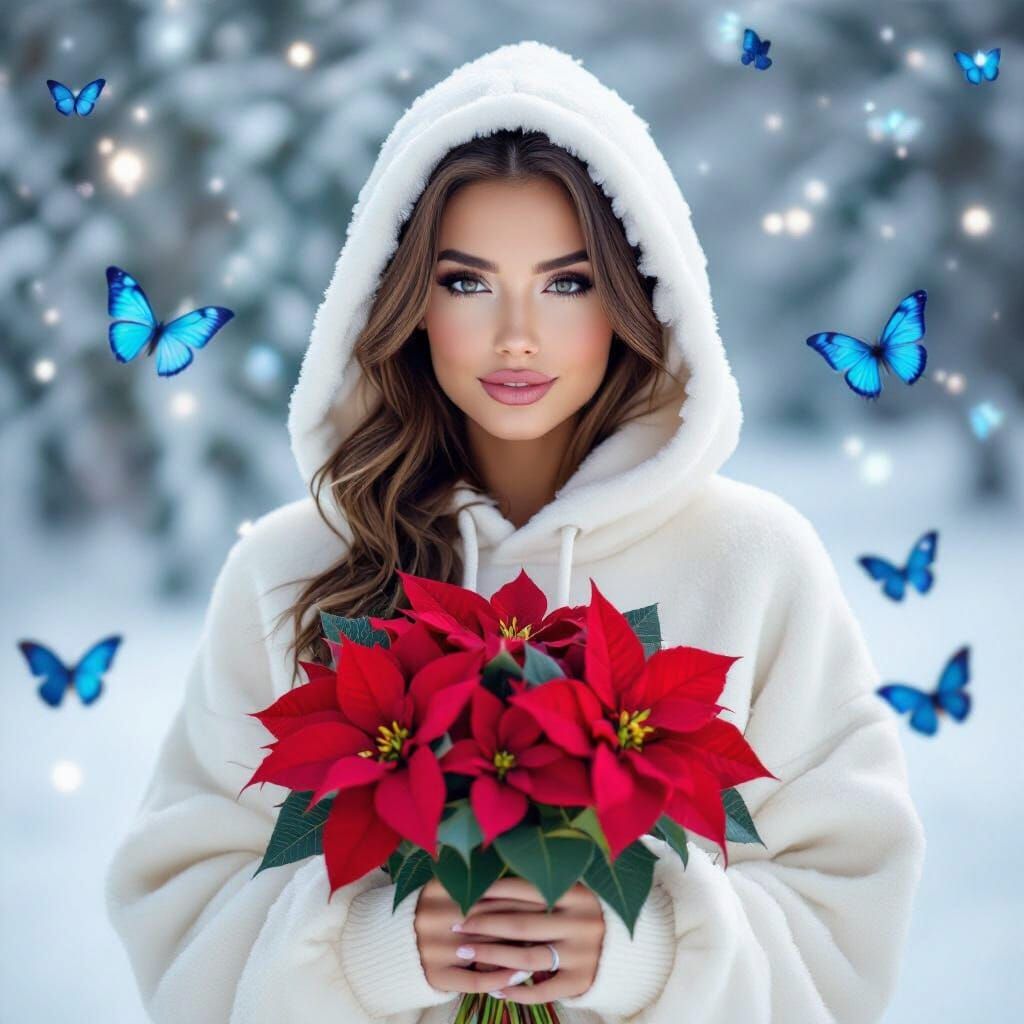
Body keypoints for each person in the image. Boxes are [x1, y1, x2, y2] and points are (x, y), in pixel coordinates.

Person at [104, 40, 926, 1024]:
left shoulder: (754, 561)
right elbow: (180, 915)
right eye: (465, 282)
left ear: (641, 298)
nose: (517, 336)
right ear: (400, 302)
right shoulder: (289, 570)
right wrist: (376, 948)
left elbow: (847, 917)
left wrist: (641, 948)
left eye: (568, 283)